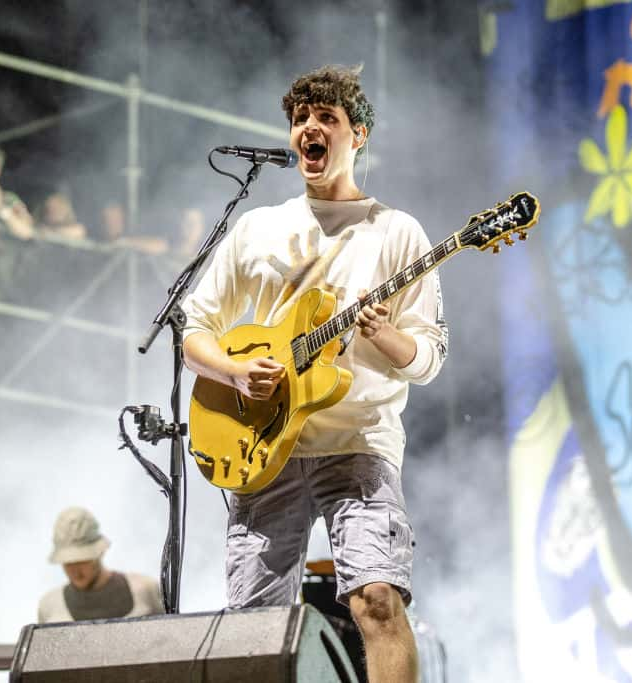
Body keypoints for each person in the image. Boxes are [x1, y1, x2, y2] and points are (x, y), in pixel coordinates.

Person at [181, 65, 448, 683]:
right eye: (301, 118)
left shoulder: (396, 232)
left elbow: (429, 358)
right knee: (251, 627)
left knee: (376, 601)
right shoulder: (258, 227)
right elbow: (193, 332)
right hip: (262, 443)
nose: (309, 128)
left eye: (326, 118)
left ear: (358, 137)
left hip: (359, 442)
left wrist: (384, 335)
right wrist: (238, 370)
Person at [37, 507, 164, 623]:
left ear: (100, 553)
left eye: (82, 560)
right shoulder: (50, 606)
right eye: (67, 562)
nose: (74, 570)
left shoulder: (145, 590)